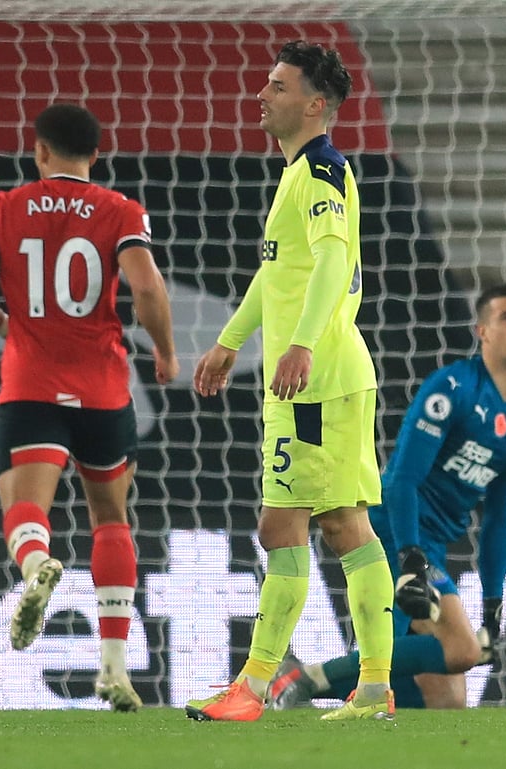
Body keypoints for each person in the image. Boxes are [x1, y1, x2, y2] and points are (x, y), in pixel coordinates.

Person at [0, 103, 179, 713]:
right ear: (95, 156)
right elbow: (148, 286)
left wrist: (7, 326)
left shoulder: (5, 206)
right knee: (111, 516)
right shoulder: (119, 210)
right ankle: (113, 670)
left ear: (40, 150)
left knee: (22, 504)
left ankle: (38, 563)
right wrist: (167, 354)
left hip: (32, 381)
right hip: (103, 385)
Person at [184, 41, 394, 723]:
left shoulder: (324, 170)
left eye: (277, 86)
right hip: (330, 376)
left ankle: (254, 686)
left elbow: (333, 265)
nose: (262, 95)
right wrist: (229, 340)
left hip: (318, 379)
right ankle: (371, 688)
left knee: (287, 525)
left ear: (313, 104)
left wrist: (299, 343)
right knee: (342, 524)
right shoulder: (297, 174)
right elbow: (282, 276)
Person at [269, 284, 506, 710]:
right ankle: (304, 679)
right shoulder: (451, 389)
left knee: (448, 699)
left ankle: (306, 685)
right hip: (396, 531)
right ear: (483, 331)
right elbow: (401, 481)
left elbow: (498, 522)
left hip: (427, 546)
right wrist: (412, 558)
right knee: (459, 652)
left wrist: (492, 604)